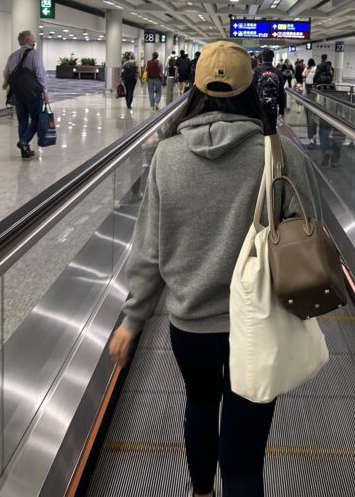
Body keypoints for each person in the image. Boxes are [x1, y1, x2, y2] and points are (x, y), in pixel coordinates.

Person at [109, 40, 321, 497]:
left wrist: (132, 319)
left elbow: (148, 248)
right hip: (261, 323)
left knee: (200, 406)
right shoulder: (278, 154)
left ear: (195, 86)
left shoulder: (166, 156)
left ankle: (201, 492)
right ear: (252, 87)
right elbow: (310, 230)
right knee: (245, 455)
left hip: (190, 324)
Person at [3, 30, 49, 159]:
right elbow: (40, 74)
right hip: (33, 94)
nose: (34, 41)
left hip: (18, 94)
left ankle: (25, 150)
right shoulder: (34, 54)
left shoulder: (12, 56)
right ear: (28, 40)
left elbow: (6, 74)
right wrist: (45, 91)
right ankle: (24, 141)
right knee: (37, 119)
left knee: (22, 121)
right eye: (33, 39)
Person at [253, 47, 286, 134]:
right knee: (272, 129)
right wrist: (282, 109)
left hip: (259, 107)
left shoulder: (256, 71)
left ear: (262, 58)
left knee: (259, 130)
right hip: (272, 106)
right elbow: (281, 92)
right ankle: (272, 146)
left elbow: (252, 89)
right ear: (273, 58)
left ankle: (260, 147)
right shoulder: (277, 72)